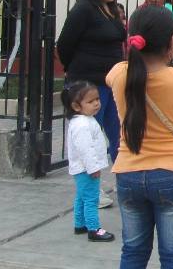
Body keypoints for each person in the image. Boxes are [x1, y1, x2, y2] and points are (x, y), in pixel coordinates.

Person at [107, 6, 173, 267]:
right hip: (172, 173)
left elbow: (131, 71)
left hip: (128, 173)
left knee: (133, 252)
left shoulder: (119, 74)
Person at [57, 0, 126, 175]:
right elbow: (64, 45)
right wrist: (75, 72)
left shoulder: (112, 9)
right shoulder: (83, 9)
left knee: (120, 135)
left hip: (111, 84)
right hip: (89, 85)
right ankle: (91, 188)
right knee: (89, 138)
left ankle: (126, 180)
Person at [62, 81, 115, 242]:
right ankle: (94, 229)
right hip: (86, 169)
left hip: (83, 169)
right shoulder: (82, 124)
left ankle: (80, 224)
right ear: (76, 106)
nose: (97, 104)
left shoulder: (84, 120)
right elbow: (85, 149)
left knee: (81, 196)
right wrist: (93, 168)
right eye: (90, 102)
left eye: (97, 99)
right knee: (91, 199)